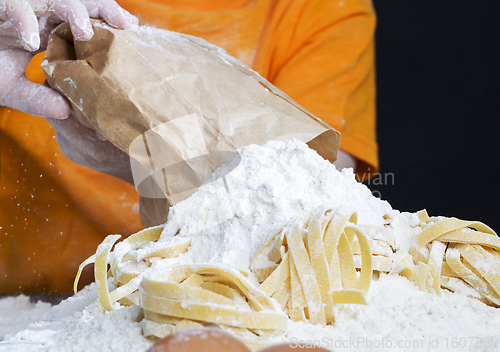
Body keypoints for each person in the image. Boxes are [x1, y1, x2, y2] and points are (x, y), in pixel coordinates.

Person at [0, 0, 377, 293]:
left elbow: (306, 202)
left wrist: (145, 161)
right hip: (28, 306)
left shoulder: (319, 11)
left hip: (219, 298)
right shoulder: (23, 14)